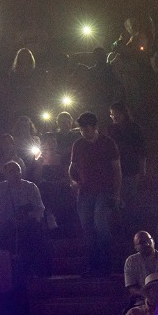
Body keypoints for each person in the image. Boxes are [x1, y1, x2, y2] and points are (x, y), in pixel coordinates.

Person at [68, 111, 122, 276]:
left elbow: (116, 170)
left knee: (101, 224)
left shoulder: (108, 143)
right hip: (85, 191)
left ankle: (105, 263)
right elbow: (73, 166)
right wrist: (73, 180)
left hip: (104, 190)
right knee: (87, 227)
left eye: (87, 129)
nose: (84, 133)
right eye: (82, 130)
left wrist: (116, 193)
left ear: (95, 127)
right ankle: (93, 264)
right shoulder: (78, 144)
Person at [124, 230, 158, 301]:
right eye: (142, 242)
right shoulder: (131, 261)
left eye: (149, 240)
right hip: (143, 300)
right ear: (136, 247)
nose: (147, 244)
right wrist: (147, 296)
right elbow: (131, 287)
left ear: (153, 241)